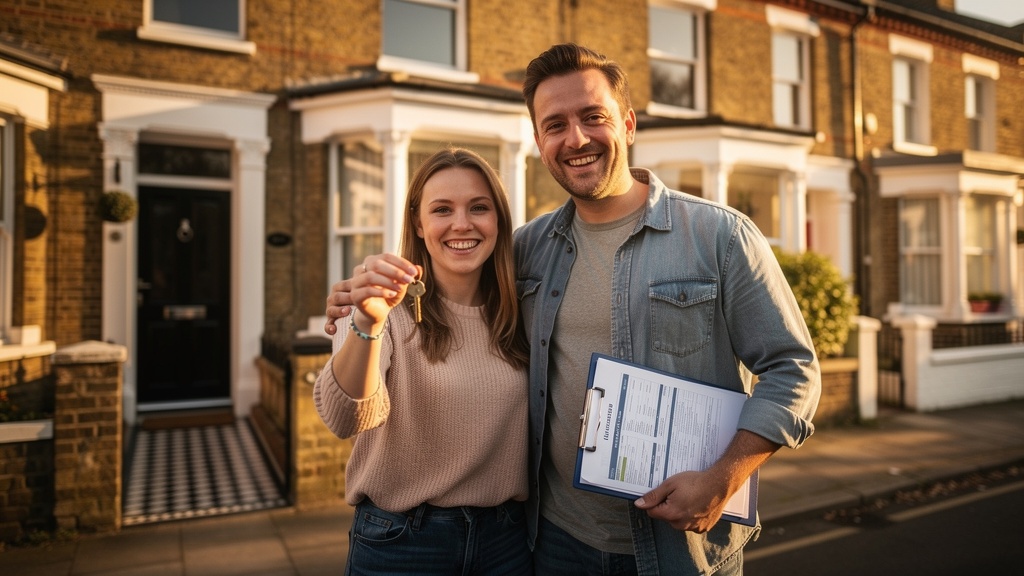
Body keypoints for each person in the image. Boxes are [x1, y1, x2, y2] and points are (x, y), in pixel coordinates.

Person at [325, 44, 821, 576]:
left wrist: (724, 478)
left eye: (593, 117)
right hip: (555, 542)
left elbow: (792, 369)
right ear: (540, 142)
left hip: (680, 547)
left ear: (628, 124)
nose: (576, 138)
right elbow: (448, 273)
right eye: (555, 125)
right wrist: (360, 301)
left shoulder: (719, 236)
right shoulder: (529, 249)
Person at [314, 147, 532, 575]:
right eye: (442, 209)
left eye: (479, 207)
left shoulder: (522, 309)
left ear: (499, 220)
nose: (461, 224)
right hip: (402, 544)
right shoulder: (375, 304)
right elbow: (344, 418)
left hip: (505, 541)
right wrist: (368, 322)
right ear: (418, 222)